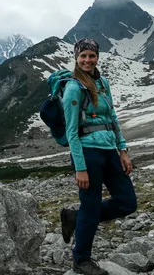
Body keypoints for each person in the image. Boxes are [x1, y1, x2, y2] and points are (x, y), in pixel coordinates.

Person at [60, 38, 137, 275]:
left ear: (97, 57)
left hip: (109, 151)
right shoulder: (73, 87)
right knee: (91, 205)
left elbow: (112, 118)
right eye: (83, 56)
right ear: (76, 58)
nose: (87, 60)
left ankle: (76, 217)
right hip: (87, 152)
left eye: (91, 55)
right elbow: (71, 131)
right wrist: (80, 168)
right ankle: (81, 259)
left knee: (127, 202)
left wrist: (122, 150)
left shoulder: (102, 83)